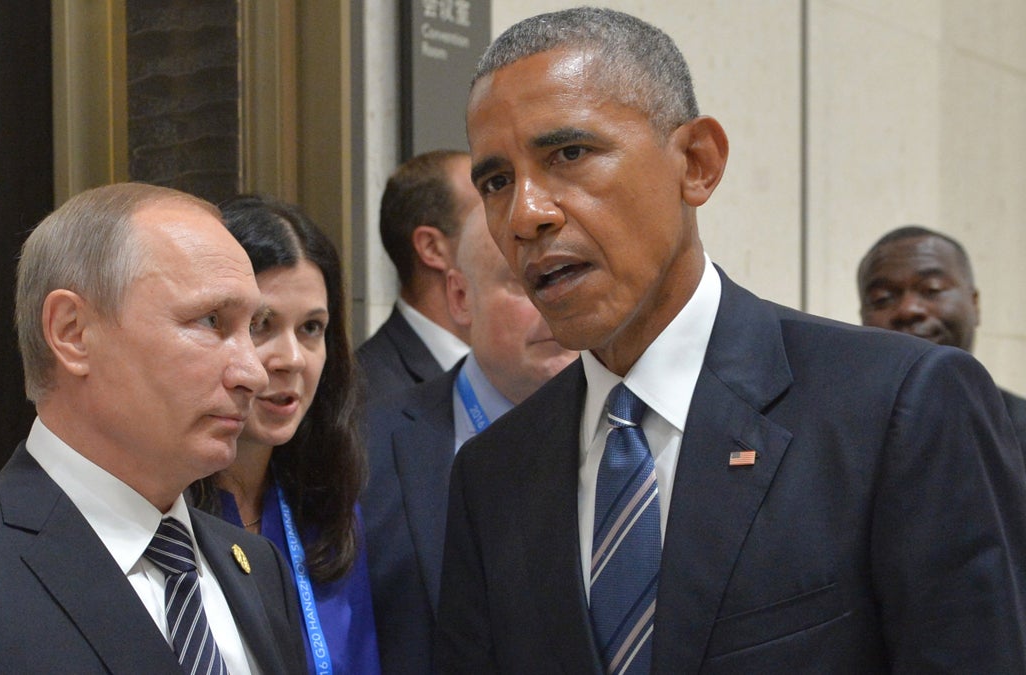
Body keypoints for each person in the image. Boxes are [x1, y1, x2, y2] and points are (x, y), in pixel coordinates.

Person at [435, 8, 1026, 674]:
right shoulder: (492, 474)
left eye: (569, 154)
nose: (525, 214)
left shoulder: (896, 410)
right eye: (496, 182)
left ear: (697, 162)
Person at [0, 183, 306, 673]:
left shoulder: (256, 567)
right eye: (210, 321)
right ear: (73, 333)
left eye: (253, 327)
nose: (253, 372)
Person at [362, 196, 577, 674]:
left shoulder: (634, 440)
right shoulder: (367, 449)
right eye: (526, 284)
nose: (555, 303)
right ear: (461, 298)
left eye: (567, 277)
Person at [190, 195, 381, 674]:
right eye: (262, 325)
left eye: (312, 328)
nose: (292, 358)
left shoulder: (330, 509)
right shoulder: (162, 514)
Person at [857, 225, 1026, 450]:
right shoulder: (837, 434)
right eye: (882, 298)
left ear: (975, 304)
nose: (908, 309)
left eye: (931, 289)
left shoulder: (1019, 428)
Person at [355, 150, 481, 401]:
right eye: (487, 213)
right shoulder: (366, 393)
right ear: (432, 248)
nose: (512, 227)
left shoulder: (512, 367)